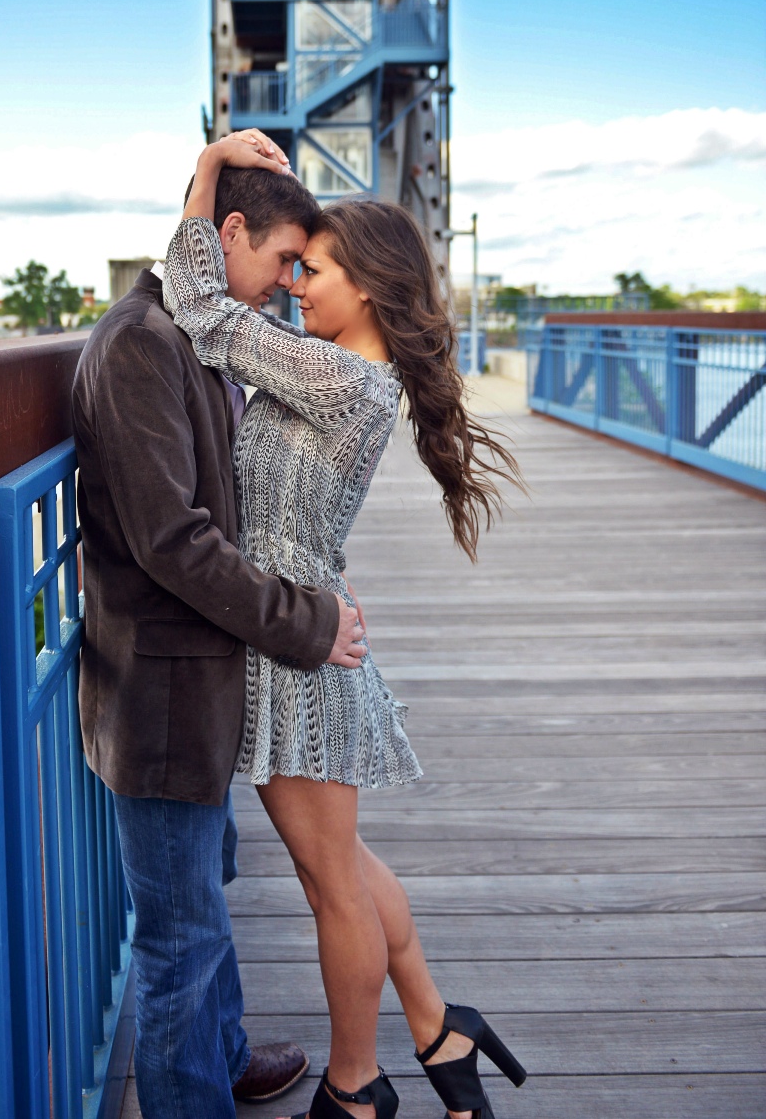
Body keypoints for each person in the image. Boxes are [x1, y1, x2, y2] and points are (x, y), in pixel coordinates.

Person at [162, 131, 527, 1119]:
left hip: (298, 658)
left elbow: (197, 308)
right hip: (297, 635)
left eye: (309, 269)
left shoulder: (345, 377)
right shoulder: (339, 371)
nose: (290, 284)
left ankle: (356, 1091)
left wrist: (205, 173)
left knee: (333, 885)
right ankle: (438, 1027)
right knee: (348, 868)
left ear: (363, 285)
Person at [72, 163, 368, 1119]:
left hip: (199, 685)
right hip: (160, 697)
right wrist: (308, 624)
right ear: (230, 232)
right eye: (285, 257)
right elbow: (174, 542)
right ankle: (192, 1095)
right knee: (179, 941)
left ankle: (223, 1053)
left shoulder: (190, 336)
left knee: (205, 898)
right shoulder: (139, 348)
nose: (291, 280)